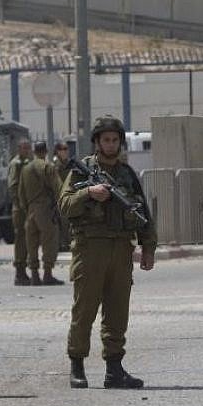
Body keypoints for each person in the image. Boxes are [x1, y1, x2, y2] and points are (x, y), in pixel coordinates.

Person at [59, 116, 156, 389]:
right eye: (106, 140)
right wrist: (89, 192)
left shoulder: (127, 174)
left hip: (121, 249)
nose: (111, 145)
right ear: (97, 142)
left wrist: (148, 248)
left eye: (115, 140)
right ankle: (77, 365)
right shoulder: (82, 171)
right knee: (85, 310)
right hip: (90, 249)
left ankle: (114, 368)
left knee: (117, 311)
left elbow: (143, 213)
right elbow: (65, 205)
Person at [18, 141, 64, 285]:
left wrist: (27, 208)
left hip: (30, 209)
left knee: (31, 243)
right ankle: (47, 274)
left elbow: (21, 193)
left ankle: (34, 275)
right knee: (49, 241)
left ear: (34, 151)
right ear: (46, 151)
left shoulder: (25, 169)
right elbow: (59, 188)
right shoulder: (48, 167)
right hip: (45, 209)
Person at [7, 138, 34, 285]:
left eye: (28, 148)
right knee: (21, 239)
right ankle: (20, 271)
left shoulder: (27, 163)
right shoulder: (16, 164)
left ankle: (24, 270)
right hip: (20, 208)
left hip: (28, 206)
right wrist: (20, 204)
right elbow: (13, 186)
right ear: (19, 149)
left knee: (28, 239)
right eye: (24, 148)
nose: (27, 150)